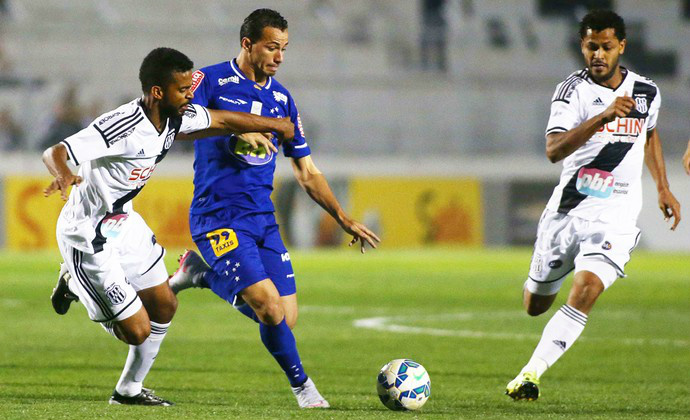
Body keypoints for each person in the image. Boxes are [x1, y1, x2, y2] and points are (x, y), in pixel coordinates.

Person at [44, 47, 294, 406]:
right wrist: (64, 174)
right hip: (87, 235)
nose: (190, 94)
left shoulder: (176, 116)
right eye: (182, 89)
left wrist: (276, 125)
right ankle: (73, 281)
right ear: (158, 92)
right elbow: (55, 151)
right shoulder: (121, 125)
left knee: (164, 306)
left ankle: (128, 391)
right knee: (137, 331)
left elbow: (222, 120)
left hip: (123, 223)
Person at [168, 8, 380, 409]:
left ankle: (199, 274)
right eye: (271, 47)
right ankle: (305, 390)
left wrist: (343, 217)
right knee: (267, 306)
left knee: (285, 316)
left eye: (284, 48)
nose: (279, 56)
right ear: (247, 44)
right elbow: (179, 122)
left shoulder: (283, 99)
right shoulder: (210, 79)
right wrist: (239, 129)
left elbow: (307, 171)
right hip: (218, 215)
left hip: (263, 220)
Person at [505, 10, 681, 401]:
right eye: (590, 47)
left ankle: (530, 374)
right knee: (535, 305)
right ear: (581, 47)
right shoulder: (572, 92)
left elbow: (649, 135)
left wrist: (663, 188)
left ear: (621, 46)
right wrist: (602, 117)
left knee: (585, 289)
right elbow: (553, 150)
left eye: (605, 47)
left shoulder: (646, 92)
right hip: (568, 213)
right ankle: (544, 278)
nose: (597, 55)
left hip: (615, 217)